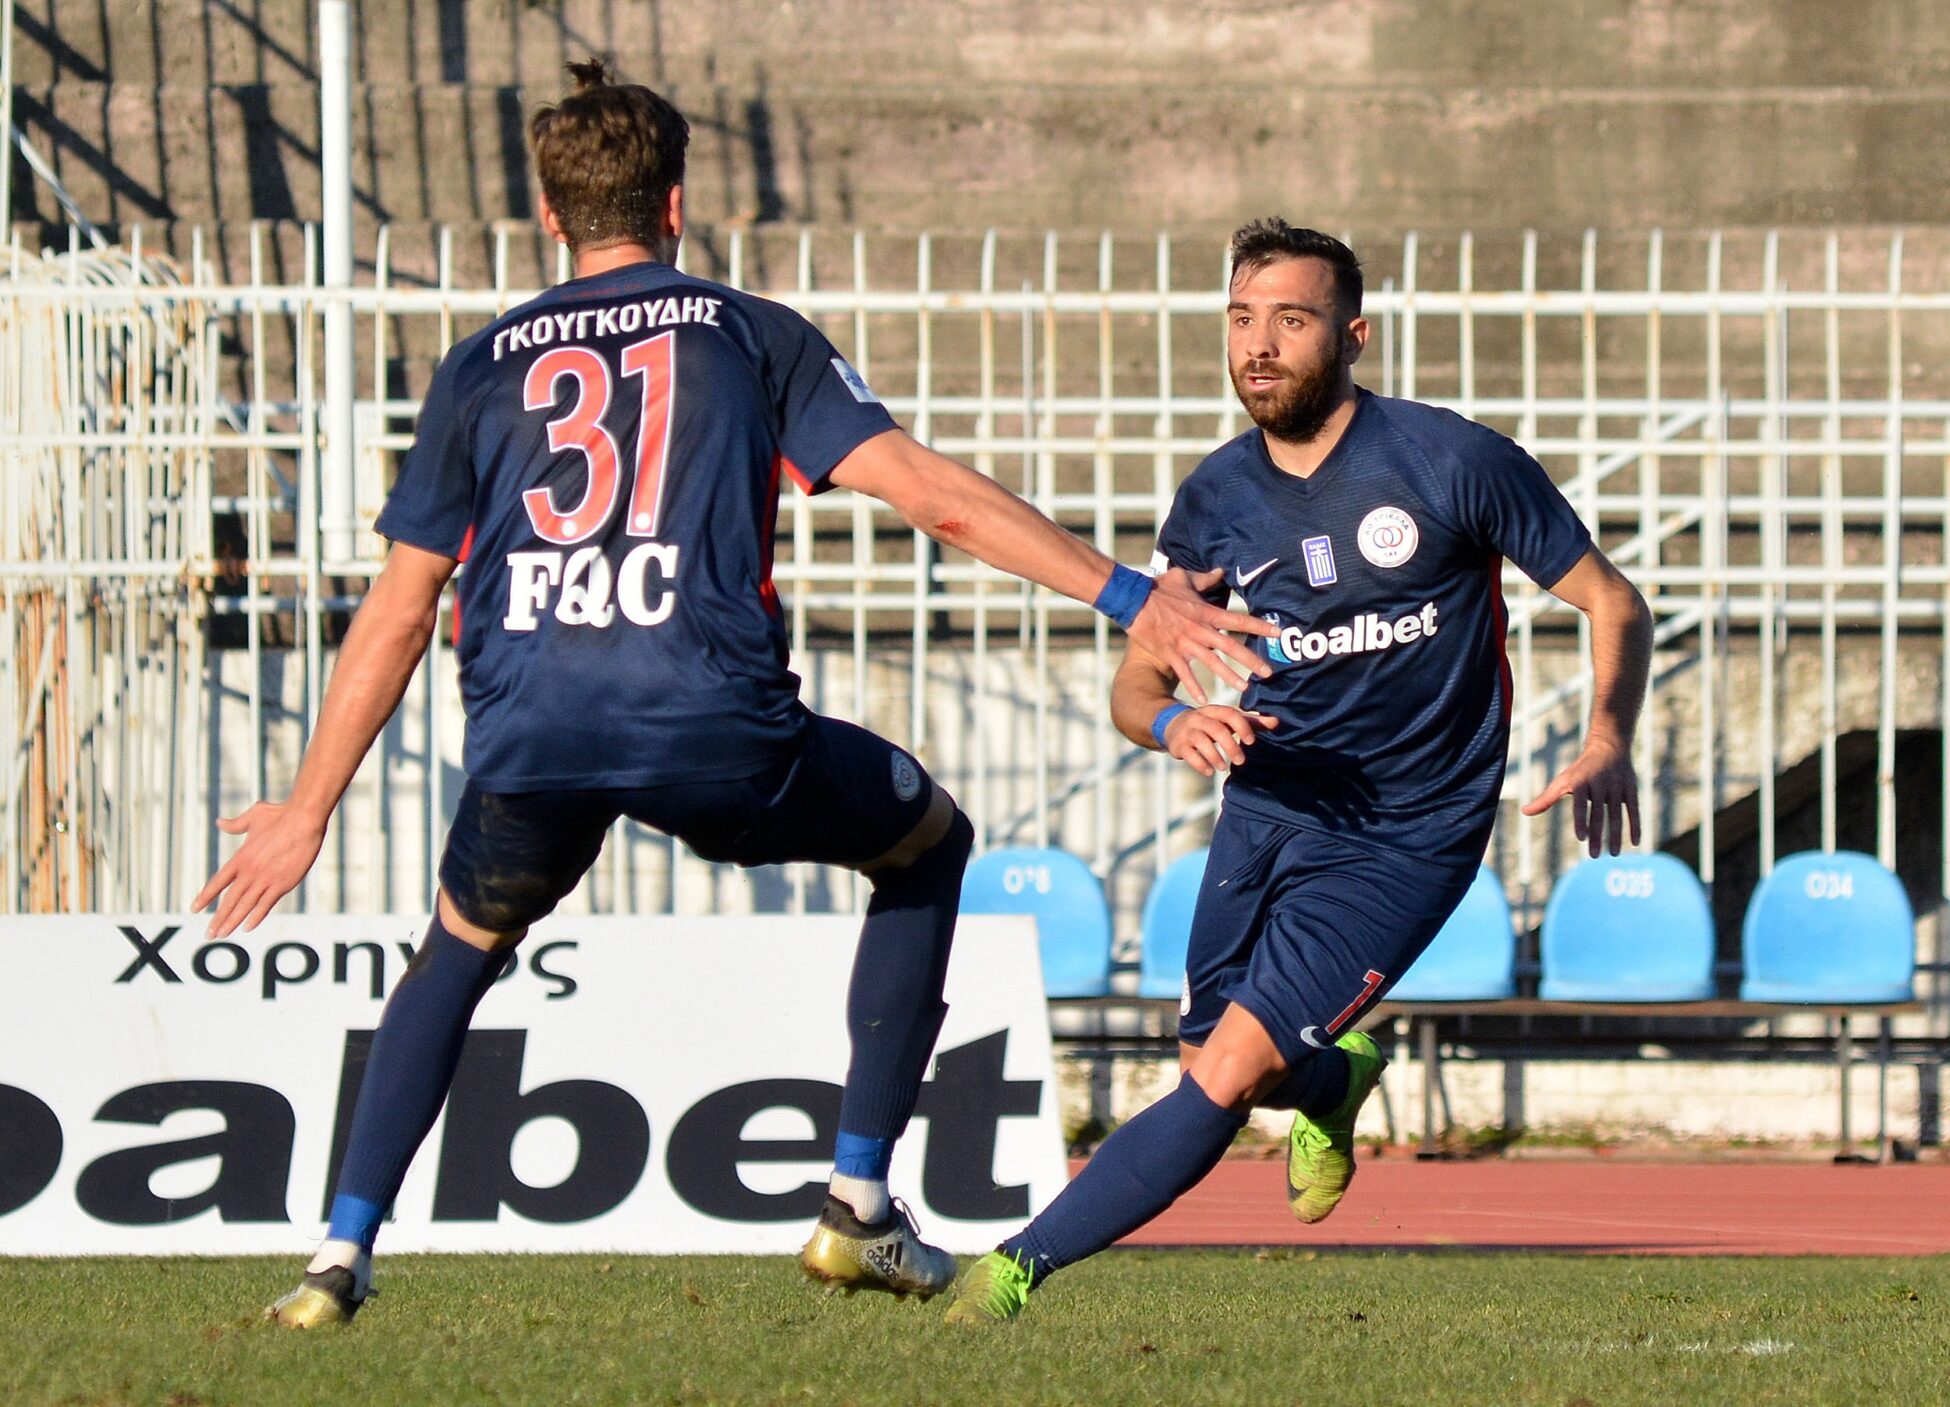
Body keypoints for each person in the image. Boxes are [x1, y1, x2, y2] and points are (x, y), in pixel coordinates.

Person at [193, 61, 1274, 1328]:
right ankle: (858, 1206)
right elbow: (932, 498)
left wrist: (309, 809)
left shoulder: (478, 365)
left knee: (459, 947)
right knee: (928, 842)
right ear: (676, 203)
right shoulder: (745, 332)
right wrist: (1131, 594)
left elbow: (400, 605)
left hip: (532, 727)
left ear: (548, 215)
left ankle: (338, 1257)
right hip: (706, 719)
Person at [944, 220, 1653, 1324]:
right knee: (1223, 1057)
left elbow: (1612, 598)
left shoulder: (1452, 461)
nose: (1259, 345)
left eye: (1290, 319)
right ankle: (1337, 1078)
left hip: (1408, 832)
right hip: (1269, 806)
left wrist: (1607, 736)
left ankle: (1010, 1272)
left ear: (1353, 336)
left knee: (1222, 1074)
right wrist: (1172, 720)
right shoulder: (1215, 499)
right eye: (1241, 319)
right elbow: (1136, 686)